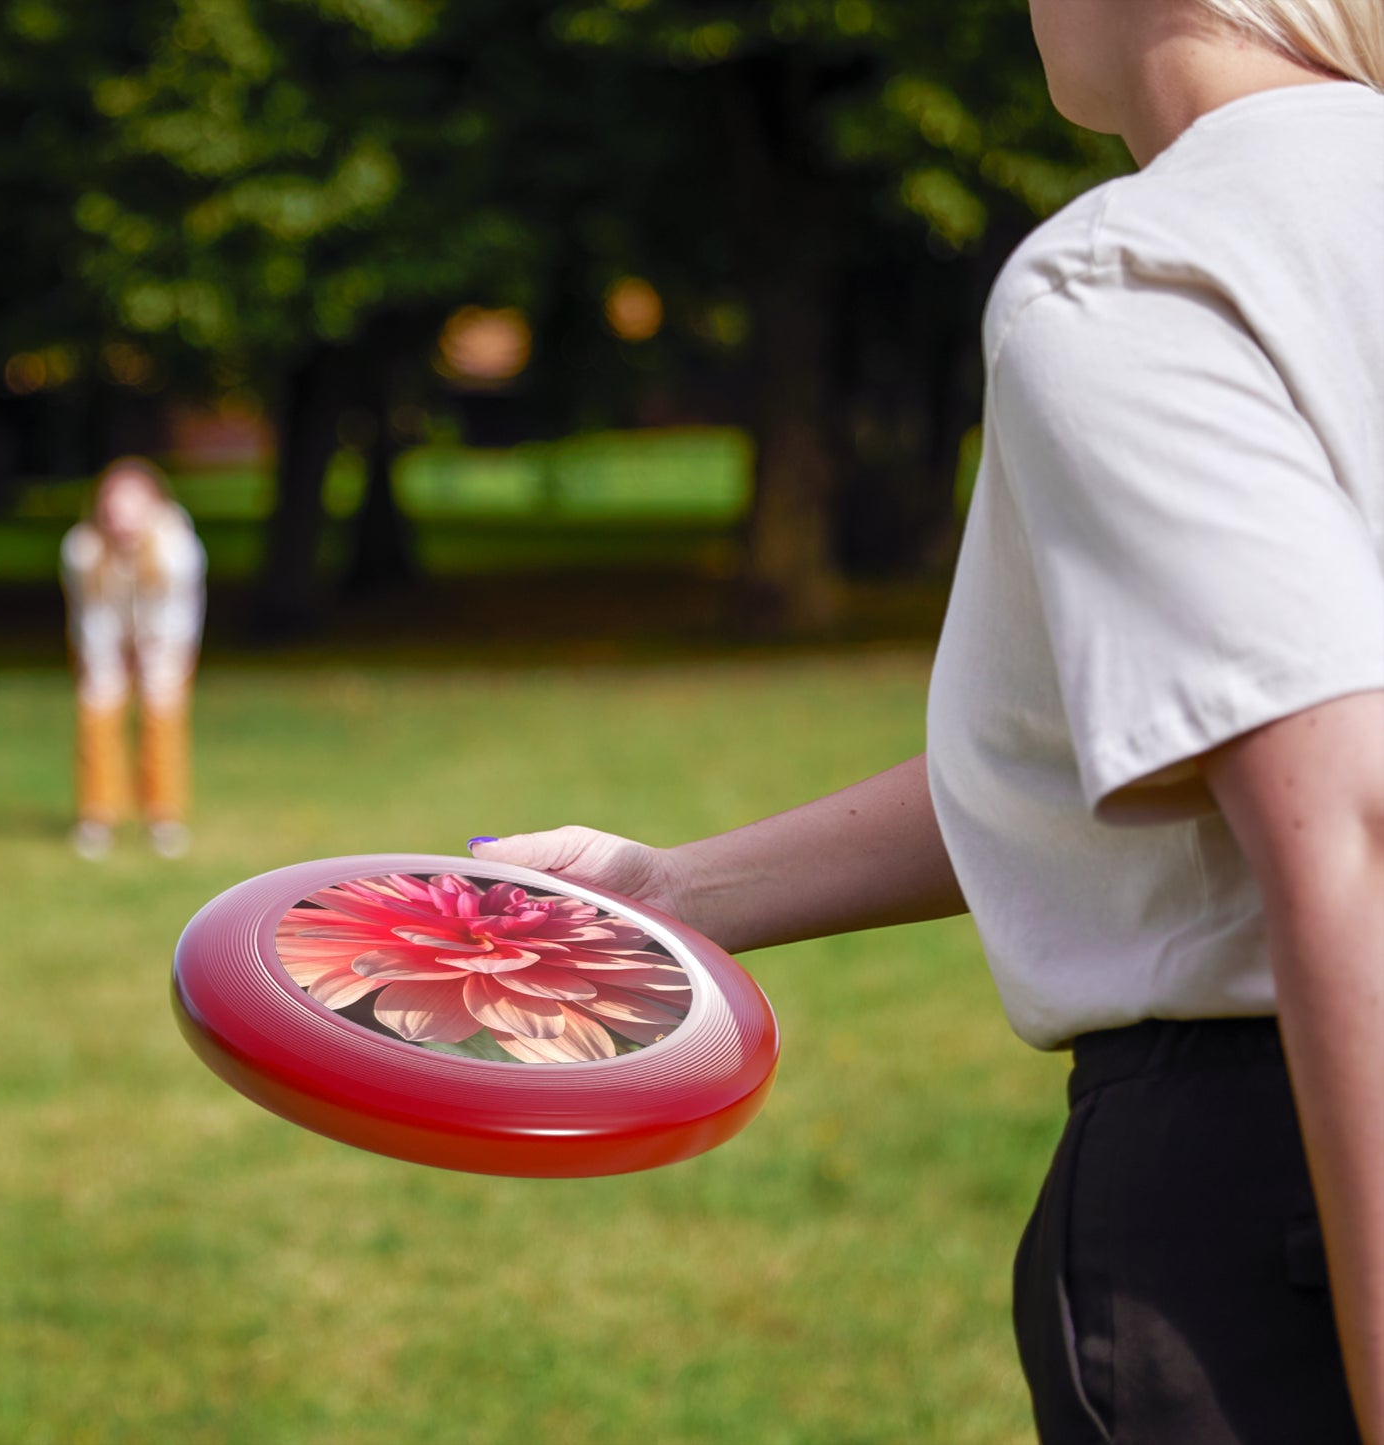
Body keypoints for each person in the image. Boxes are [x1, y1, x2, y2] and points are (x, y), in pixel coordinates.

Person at [469, 2, 1384, 1441]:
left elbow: (1347, 821)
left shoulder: (1143, 270)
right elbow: (1163, 742)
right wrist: (674, 891)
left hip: (1281, 1192)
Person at [60, 457, 207, 859]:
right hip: (104, 640)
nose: (121, 517)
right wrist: (107, 665)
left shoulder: (177, 549)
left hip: (165, 642)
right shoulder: (82, 549)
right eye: (113, 506)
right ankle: (97, 816)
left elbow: (177, 616)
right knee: (97, 712)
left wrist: (153, 659)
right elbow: (91, 616)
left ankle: (164, 817)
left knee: (162, 717)